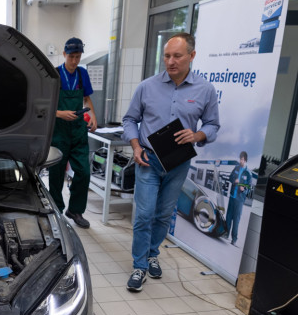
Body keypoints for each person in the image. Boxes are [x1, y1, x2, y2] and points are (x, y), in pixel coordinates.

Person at [121, 33, 220, 291]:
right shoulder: (147, 87)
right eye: (167, 56)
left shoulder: (205, 90)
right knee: (144, 214)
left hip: (178, 163)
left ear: (192, 56)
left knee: (164, 214)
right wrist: (135, 146)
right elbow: (129, 119)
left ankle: (153, 253)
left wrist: (198, 134)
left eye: (177, 56)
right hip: (148, 160)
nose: (171, 61)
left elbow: (212, 125)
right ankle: (139, 266)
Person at [48, 37, 98, 229]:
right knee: (56, 174)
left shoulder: (82, 74)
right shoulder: (54, 75)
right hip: (59, 132)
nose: (75, 61)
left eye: (78, 57)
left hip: (78, 131)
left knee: (84, 172)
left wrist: (93, 115)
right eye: (71, 57)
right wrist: (60, 113)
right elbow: (45, 106)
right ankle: (56, 211)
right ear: (64, 54)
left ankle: (75, 210)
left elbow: (86, 98)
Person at [226, 151, 252, 245]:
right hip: (232, 196)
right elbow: (230, 178)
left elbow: (249, 188)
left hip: (240, 199)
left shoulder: (248, 173)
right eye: (240, 159)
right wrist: (234, 180)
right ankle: (226, 234)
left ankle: (234, 239)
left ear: (245, 160)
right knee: (228, 216)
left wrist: (244, 189)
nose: (240, 161)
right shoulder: (236, 168)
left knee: (236, 219)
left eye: (241, 159)